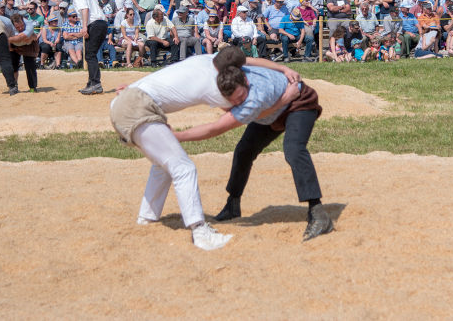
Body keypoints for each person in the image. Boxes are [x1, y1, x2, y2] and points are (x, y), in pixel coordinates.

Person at [109, 52, 300, 251]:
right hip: (137, 109)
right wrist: (284, 97)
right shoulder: (219, 88)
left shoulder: (208, 59)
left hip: (124, 101)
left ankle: (146, 218)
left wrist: (283, 69)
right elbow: (237, 118)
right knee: (184, 168)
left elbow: (247, 61)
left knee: (163, 164)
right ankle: (200, 231)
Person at [175, 47, 333, 242]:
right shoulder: (224, 69)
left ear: (245, 81)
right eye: (235, 101)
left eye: (242, 98)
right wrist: (283, 69)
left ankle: (318, 213)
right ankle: (232, 204)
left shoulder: (255, 96)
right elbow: (250, 61)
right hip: (274, 107)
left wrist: (178, 136)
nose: (240, 101)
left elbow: (215, 129)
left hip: (298, 103)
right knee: (244, 150)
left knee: (293, 150)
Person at [60, 0, 108, 95]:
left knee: (90, 55)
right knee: (89, 55)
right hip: (100, 23)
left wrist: (84, 27)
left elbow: (84, 9)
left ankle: (96, 84)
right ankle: (92, 82)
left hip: (94, 24)